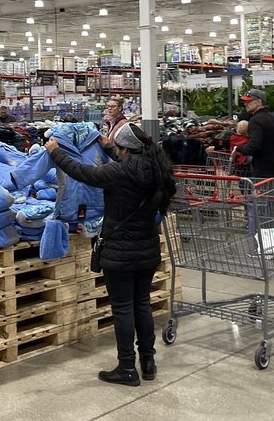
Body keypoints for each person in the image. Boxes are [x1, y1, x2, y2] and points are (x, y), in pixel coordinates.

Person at [45, 124, 177, 387]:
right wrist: (107, 144)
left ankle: (126, 367)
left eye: (117, 147)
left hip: (120, 252)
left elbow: (83, 172)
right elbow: (123, 157)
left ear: (125, 149)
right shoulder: (157, 169)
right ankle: (148, 362)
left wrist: (56, 152)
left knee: (123, 308)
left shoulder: (119, 172)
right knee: (142, 304)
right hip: (148, 250)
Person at [234, 89, 274, 195]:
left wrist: (240, 148)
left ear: (259, 102)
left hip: (264, 174)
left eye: (249, 101)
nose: (246, 104)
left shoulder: (255, 121)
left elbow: (254, 146)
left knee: (265, 205)